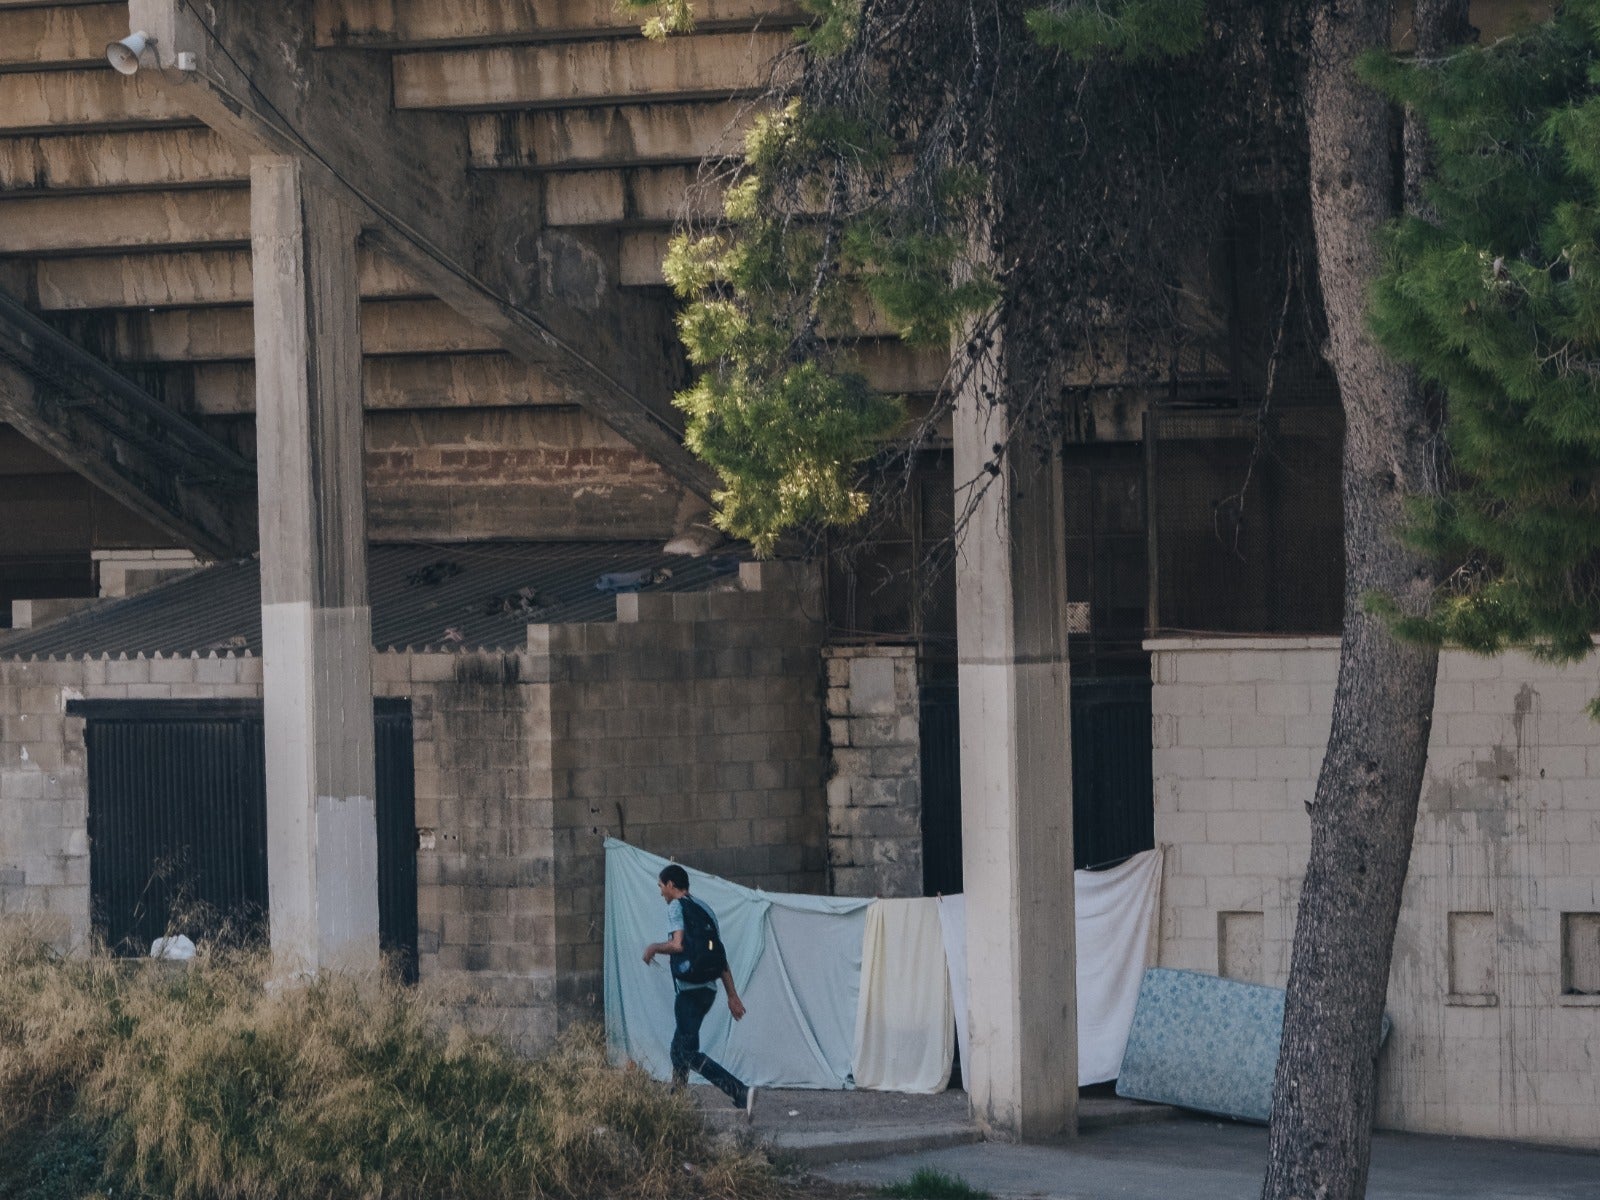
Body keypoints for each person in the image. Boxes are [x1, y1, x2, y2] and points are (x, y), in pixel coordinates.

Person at [642, 863, 755, 1118]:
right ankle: (677, 1106)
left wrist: (653, 948)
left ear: (671, 885)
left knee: (687, 1052)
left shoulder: (675, 907)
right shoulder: (705, 909)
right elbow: (720, 956)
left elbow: (678, 944)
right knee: (678, 1048)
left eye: (661, 886)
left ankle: (739, 1091)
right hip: (708, 990)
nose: (661, 892)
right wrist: (732, 995)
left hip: (689, 991)